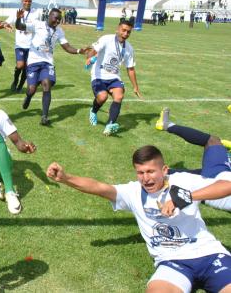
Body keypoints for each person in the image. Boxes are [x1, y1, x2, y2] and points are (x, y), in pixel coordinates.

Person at [46, 145, 231, 293]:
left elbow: (226, 185)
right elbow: (99, 187)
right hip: (172, 262)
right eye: (140, 172)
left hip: (210, 255)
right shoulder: (133, 192)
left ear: (164, 169)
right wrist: (65, 178)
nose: (145, 178)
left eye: (151, 171)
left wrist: (186, 197)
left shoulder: (183, 181)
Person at [16, 8, 88, 126]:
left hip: (47, 63)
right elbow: (20, 26)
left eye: (59, 19)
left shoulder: (59, 31)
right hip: (33, 62)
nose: (57, 21)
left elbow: (67, 47)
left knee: (46, 85)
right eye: (55, 18)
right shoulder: (37, 24)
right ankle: (28, 97)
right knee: (31, 89)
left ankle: (44, 116)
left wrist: (79, 50)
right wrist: (19, 18)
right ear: (49, 16)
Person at [155, 107, 231, 211]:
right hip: (218, 183)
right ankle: (159, 173)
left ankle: (167, 124)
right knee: (196, 174)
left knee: (213, 141)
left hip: (217, 181)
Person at [86, 20, 141, 135]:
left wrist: (135, 87)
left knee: (119, 96)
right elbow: (93, 50)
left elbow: (130, 68)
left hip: (114, 77)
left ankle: (109, 125)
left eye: (128, 32)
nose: (125, 34)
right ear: (118, 29)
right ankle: (93, 110)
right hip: (99, 75)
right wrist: (90, 58)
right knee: (102, 97)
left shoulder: (129, 49)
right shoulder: (107, 39)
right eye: (124, 30)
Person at [5, 0, 41, 92]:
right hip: (20, 45)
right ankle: (15, 80)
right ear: (22, 1)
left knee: (27, 67)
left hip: (32, 46)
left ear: (31, 2)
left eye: (29, 1)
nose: (27, 3)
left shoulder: (36, 13)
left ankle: (20, 85)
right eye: (25, 1)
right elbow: (6, 22)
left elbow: (41, 26)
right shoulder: (16, 13)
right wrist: (6, 25)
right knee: (20, 65)